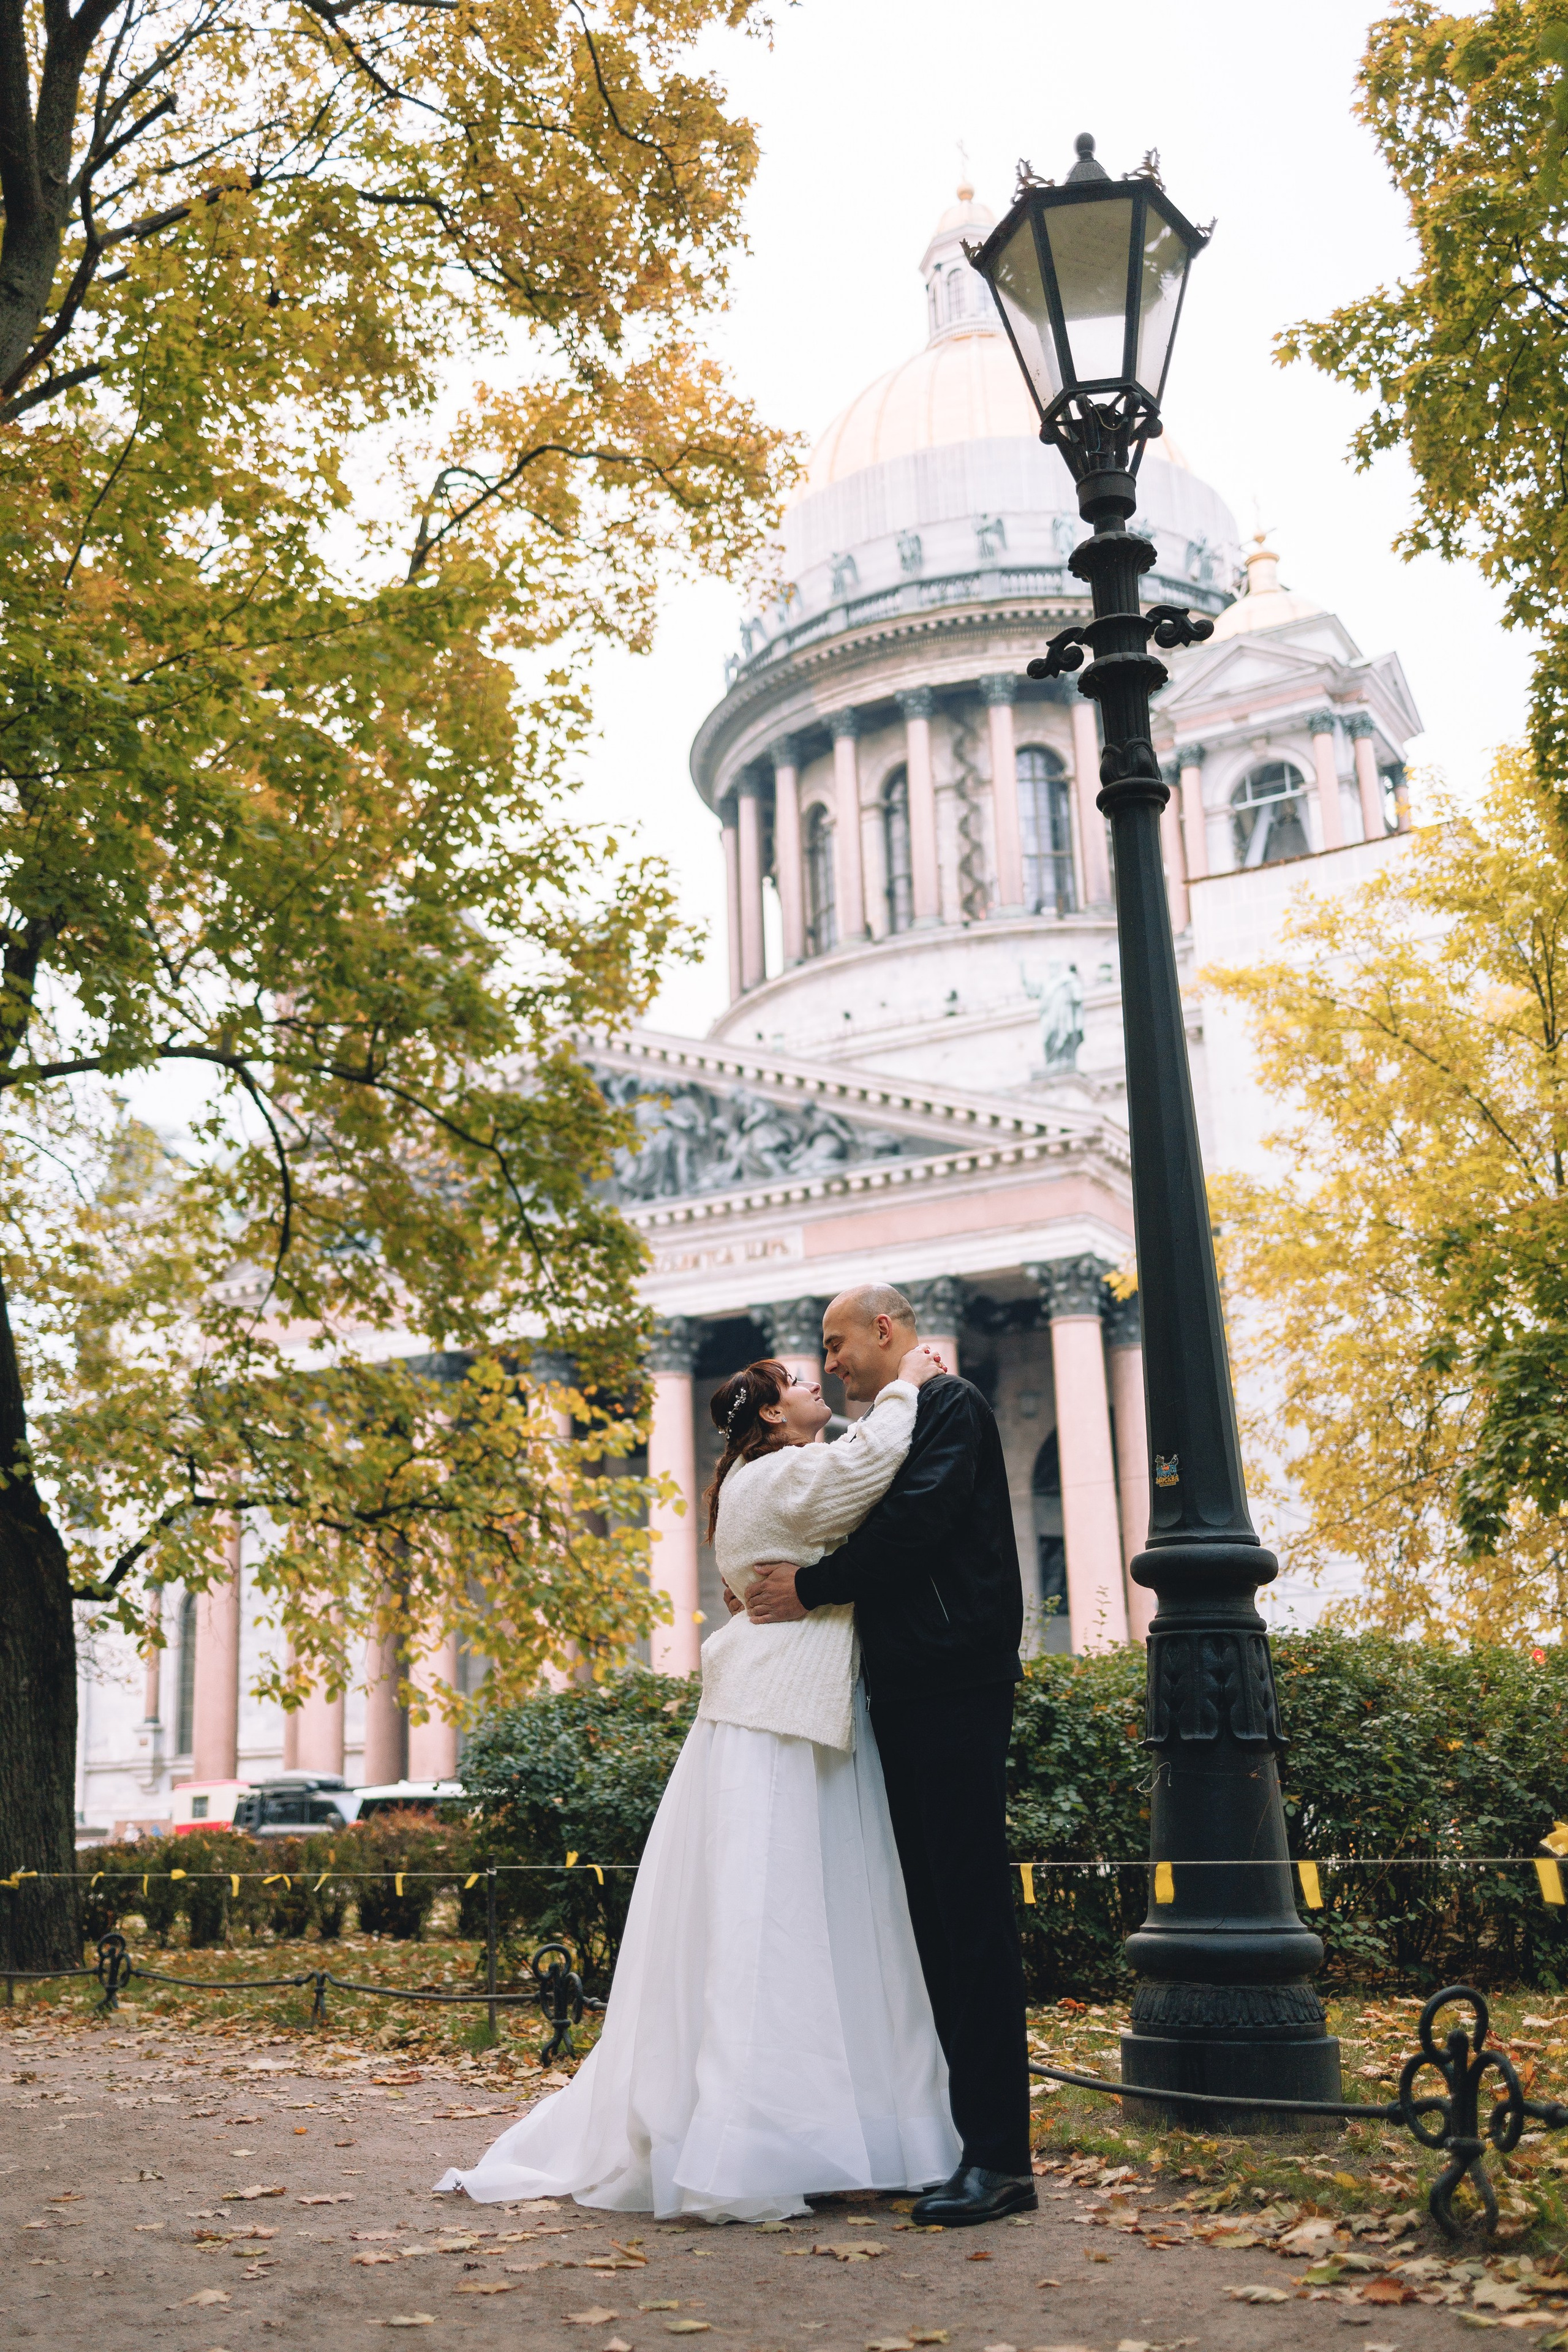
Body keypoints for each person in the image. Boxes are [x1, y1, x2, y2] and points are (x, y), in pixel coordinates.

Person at [434, 1342, 957, 2223]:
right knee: (783, 1926)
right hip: (776, 1721)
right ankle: (774, 2139)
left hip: (796, 1711)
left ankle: (833, 2133)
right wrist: (908, 1384)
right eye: (800, 1381)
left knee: (814, 1926)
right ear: (771, 1413)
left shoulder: (762, 1478)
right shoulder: (778, 1474)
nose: (817, 1382)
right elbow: (867, 1467)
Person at [746, 1283, 1035, 2226]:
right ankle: (969, 2147)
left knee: (970, 1920)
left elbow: (912, 1529)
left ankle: (1002, 2160)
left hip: (957, 1681)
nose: (829, 1362)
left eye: (837, 1344)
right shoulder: (900, 1417)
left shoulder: (950, 1404)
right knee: (938, 1928)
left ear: (884, 1330)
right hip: (908, 1688)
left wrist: (811, 1586)